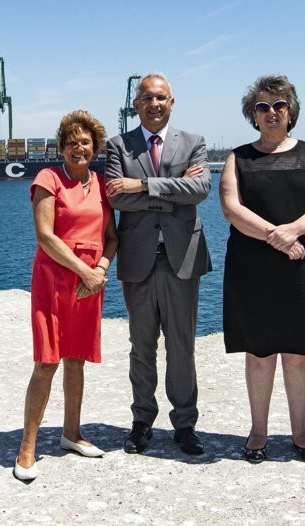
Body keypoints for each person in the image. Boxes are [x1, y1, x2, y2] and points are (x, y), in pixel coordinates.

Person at [219, 75, 305, 464]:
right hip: (253, 267)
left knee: (298, 351)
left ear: (291, 110)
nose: (272, 113)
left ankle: (300, 432)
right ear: (252, 115)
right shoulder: (239, 157)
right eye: (263, 107)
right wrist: (276, 236)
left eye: (279, 105)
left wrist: (293, 231)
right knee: (258, 351)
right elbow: (231, 209)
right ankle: (258, 431)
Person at [105, 72, 211, 456]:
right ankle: (142, 421)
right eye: (147, 98)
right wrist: (172, 191)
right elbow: (116, 198)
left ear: (172, 102)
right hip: (138, 258)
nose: (154, 105)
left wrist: (143, 186)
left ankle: (185, 424)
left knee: (182, 346)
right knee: (141, 345)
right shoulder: (118, 145)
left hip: (182, 257)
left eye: (161, 98)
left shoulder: (194, 143)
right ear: (136, 105)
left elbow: (199, 190)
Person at [14, 110, 119, 482]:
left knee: (76, 360)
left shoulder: (103, 184)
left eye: (86, 142)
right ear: (61, 147)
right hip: (56, 278)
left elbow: (112, 238)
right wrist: (85, 271)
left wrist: (101, 270)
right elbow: (45, 235)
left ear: (95, 147)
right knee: (47, 363)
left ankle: (71, 433)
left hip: (89, 281)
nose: (79, 147)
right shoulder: (49, 178)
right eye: (72, 142)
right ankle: (27, 446)